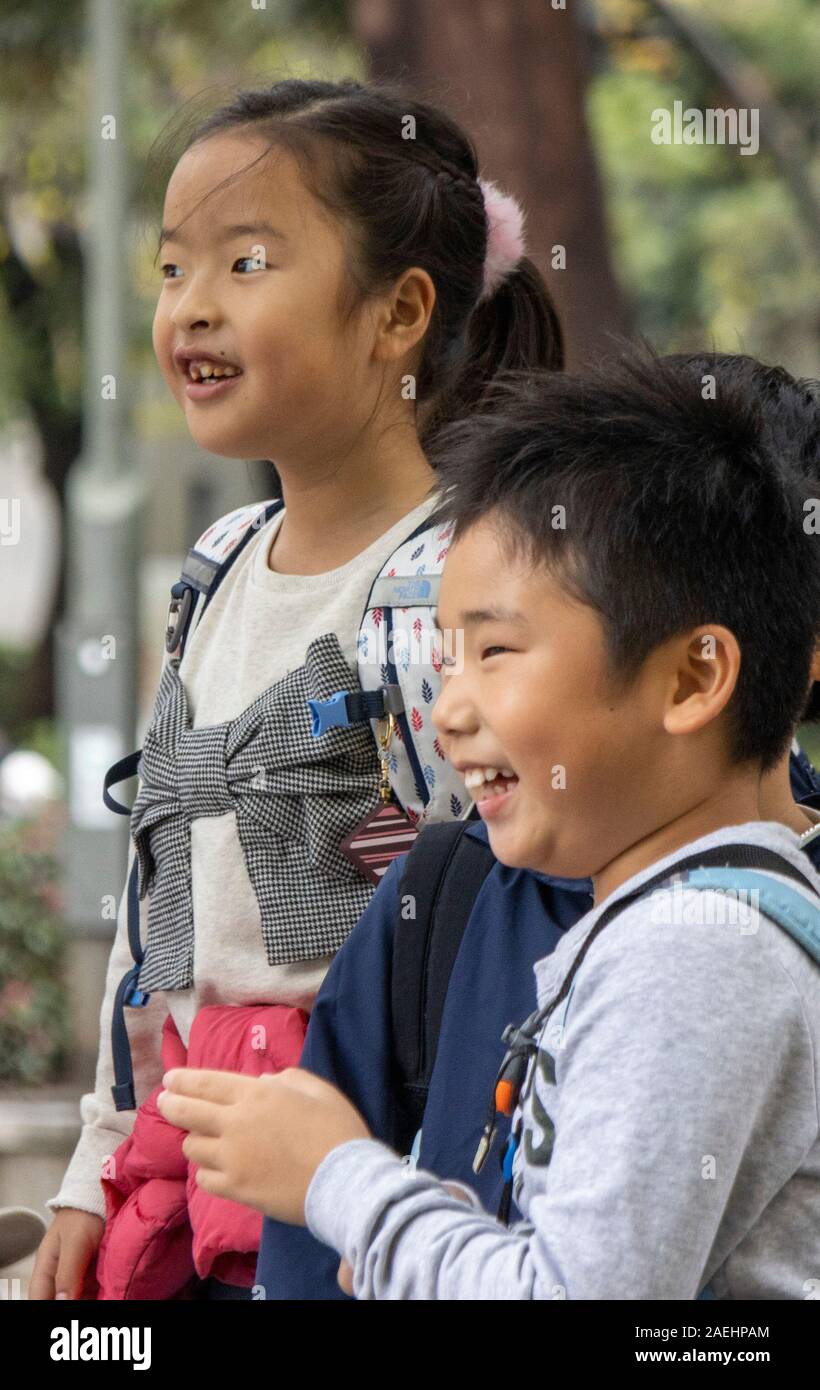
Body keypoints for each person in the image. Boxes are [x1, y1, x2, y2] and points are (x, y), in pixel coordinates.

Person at [30, 77, 562, 1301]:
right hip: (193, 1153)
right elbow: (155, 890)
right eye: (173, 270)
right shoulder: (213, 571)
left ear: (398, 313)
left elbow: (511, 881)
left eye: (246, 261)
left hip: (376, 1154)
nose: (192, 310)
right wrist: (93, 1166)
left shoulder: (452, 578)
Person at [159, 347, 820, 1299]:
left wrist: (339, 1179)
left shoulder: (699, 956)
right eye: (449, 655)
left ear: (693, 678)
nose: (449, 709)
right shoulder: (666, 927)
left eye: (498, 649)